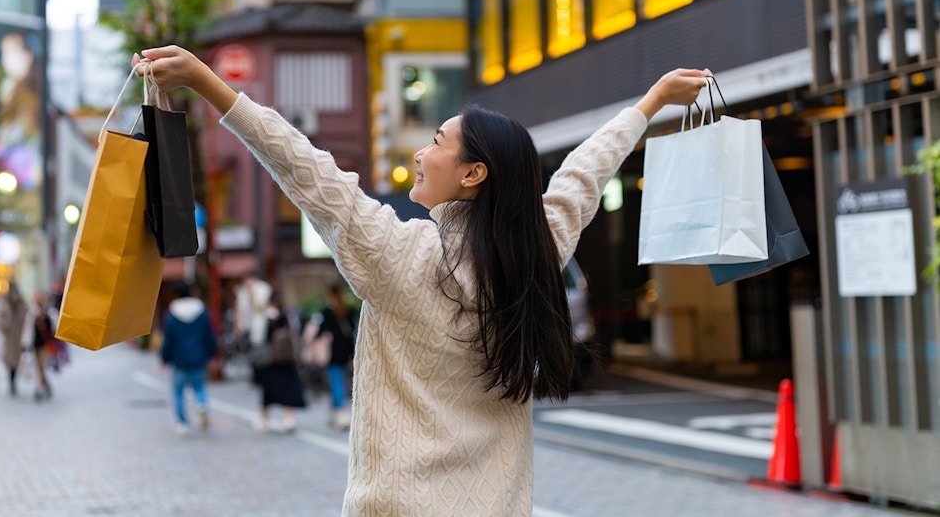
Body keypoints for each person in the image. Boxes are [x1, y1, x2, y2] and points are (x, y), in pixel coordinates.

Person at [134, 46, 710, 515]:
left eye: (436, 142)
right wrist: (652, 101)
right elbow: (584, 174)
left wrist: (209, 84)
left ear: (472, 173)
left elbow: (304, 167)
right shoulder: (534, 251)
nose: (419, 152)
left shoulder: (399, 254)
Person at [159, 282, 217, 435]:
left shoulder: (171, 315)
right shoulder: (202, 312)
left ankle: (182, 423)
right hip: (199, 356)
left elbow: (168, 340)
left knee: (178, 392)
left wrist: (164, 358)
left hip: (179, 358)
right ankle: (202, 404)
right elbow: (209, 335)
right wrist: (212, 354)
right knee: (199, 386)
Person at [252, 291, 305, 433]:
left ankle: (263, 420)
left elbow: (256, 339)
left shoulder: (263, 318)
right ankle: (289, 419)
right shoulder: (288, 317)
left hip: (268, 360)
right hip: (286, 360)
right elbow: (296, 338)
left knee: (267, 392)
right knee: (288, 390)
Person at [311, 283, 358, 431]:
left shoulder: (326, 312)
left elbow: (319, 332)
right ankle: (333, 413)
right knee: (338, 381)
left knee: (336, 382)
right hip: (347, 351)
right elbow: (352, 333)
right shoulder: (348, 310)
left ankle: (342, 413)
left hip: (333, 352)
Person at [0, 285, 28, 397]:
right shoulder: (6, 308)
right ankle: (12, 383)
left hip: (20, 339)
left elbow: (27, 322)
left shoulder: (23, 308)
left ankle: (14, 382)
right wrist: (3, 326)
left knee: (17, 363)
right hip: (9, 340)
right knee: (10, 363)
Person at [29, 292, 55, 401]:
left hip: (45, 345)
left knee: (42, 368)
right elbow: (28, 330)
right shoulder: (32, 315)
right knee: (39, 368)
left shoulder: (51, 314)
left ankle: (39, 390)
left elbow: (53, 329)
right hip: (35, 345)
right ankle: (47, 386)